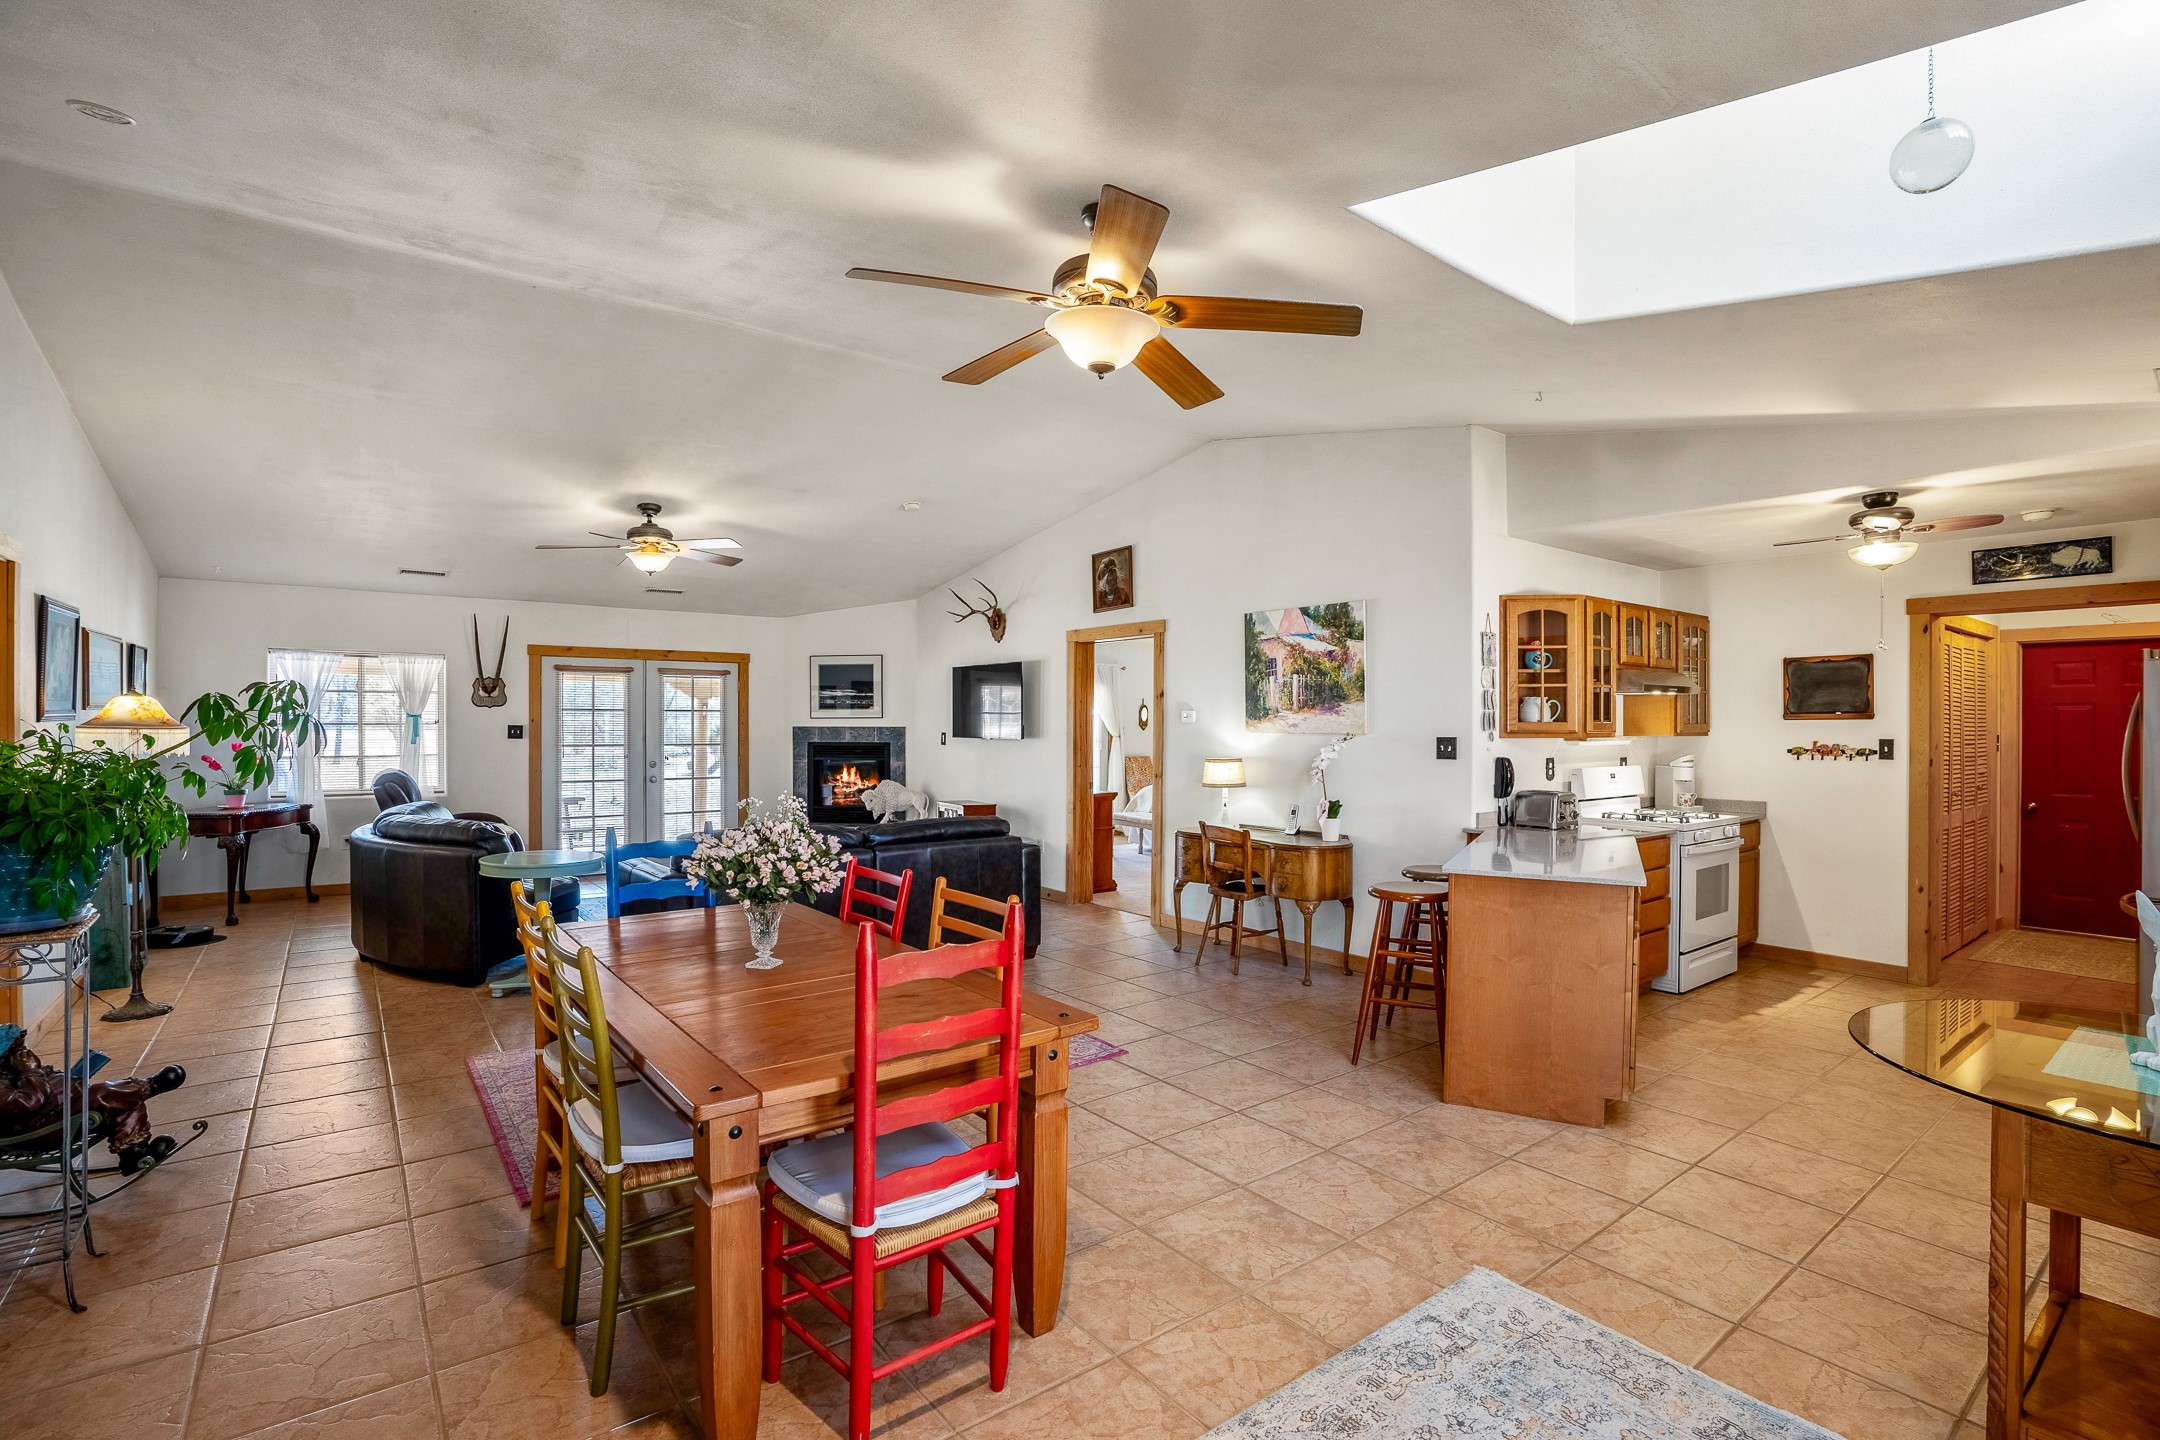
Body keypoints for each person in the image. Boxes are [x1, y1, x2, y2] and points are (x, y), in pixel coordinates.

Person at [0, 1024, 187, 1174]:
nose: (22, 1054)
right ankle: (150, 1086)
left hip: (56, 1113)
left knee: (122, 1102)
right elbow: (27, 1102)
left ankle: (134, 1154)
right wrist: (30, 1070)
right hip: (38, 1133)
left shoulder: (11, 1071)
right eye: (14, 1050)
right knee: (100, 1096)